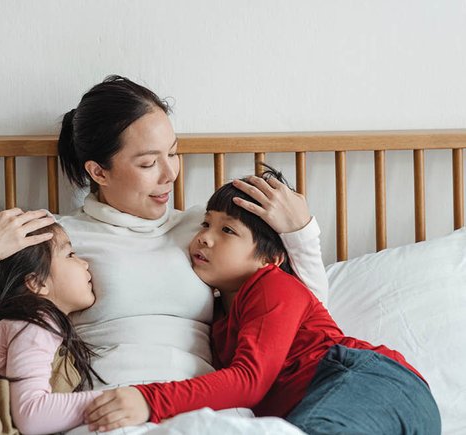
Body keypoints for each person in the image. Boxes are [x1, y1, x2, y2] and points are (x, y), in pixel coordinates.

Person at [0, 75, 329, 429]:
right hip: (110, 407)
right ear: (98, 172)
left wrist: (301, 234)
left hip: (205, 408)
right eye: (148, 163)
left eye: (173, 154)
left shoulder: (208, 231)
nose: (170, 174)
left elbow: (296, 313)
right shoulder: (58, 239)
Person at [83, 170, 441, 435]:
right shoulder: (220, 316)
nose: (205, 238)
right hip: (341, 403)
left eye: (227, 231)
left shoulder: (274, 287)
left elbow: (249, 381)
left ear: (268, 259)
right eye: (206, 224)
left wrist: (149, 400)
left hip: (367, 382)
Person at [0, 222, 106, 435]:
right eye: (71, 255)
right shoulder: (33, 324)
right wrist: (116, 399)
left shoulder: (34, 325)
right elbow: (31, 414)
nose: (84, 264)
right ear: (37, 283)